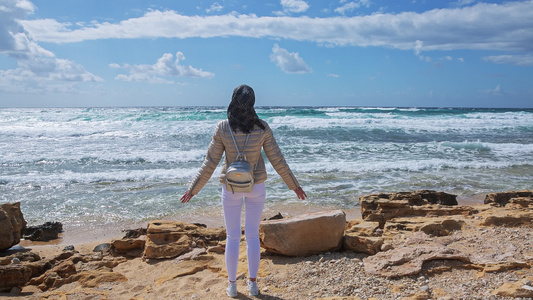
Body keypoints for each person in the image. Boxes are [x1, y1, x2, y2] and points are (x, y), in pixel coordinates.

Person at [180, 84, 307, 297]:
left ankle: (231, 285)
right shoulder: (262, 127)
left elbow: (210, 162)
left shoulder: (222, 127)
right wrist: (294, 185)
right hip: (256, 187)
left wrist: (193, 189)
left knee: (232, 237)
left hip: (230, 188)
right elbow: (278, 160)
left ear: (232, 100)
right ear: (252, 103)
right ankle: (253, 283)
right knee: (252, 238)